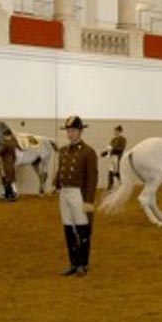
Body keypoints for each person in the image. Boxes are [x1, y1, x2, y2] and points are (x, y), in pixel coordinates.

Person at [56, 115, 98, 277]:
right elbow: (61, 170)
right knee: (68, 228)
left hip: (78, 194)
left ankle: (83, 264)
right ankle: (73, 263)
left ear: (80, 132)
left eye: (73, 130)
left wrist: (88, 201)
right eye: (68, 131)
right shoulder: (64, 151)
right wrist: (55, 184)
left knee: (82, 229)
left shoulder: (88, 152)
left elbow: (92, 179)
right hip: (65, 193)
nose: (70, 134)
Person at [101, 125, 127, 190]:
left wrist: (112, 150)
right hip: (112, 158)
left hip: (118, 158)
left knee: (118, 173)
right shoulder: (113, 139)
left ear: (119, 131)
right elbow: (109, 149)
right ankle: (110, 187)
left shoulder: (123, 139)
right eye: (114, 131)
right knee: (110, 173)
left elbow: (121, 149)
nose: (114, 132)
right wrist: (104, 153)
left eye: (116, 131)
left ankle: (123, 186)